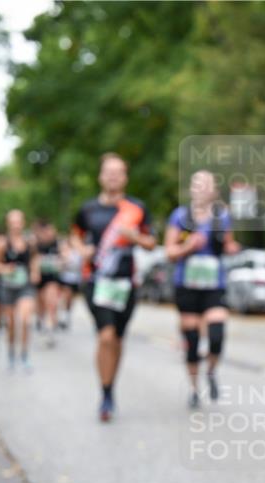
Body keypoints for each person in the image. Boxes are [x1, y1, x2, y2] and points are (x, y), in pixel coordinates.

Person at [72, 153, 156, 421]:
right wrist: (81, 249)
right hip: (96, 281)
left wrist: (136, 237)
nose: (113, 176)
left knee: (117, 338)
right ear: (100, 175)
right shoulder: (88, 209)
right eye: (108, 171)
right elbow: (74, 235)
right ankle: (105, 392)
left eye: (118, 172)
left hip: (125, 283)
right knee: (105, 336)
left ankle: (111, 387)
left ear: (125, 177)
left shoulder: (137, 208)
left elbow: (152, 242)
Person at [164, 170, 241, 408]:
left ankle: (211, 371)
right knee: (193, 340)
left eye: (207, 184)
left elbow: (227, 242)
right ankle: (195, 389)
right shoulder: (180, 216)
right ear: (191, 188)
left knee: (216, 335)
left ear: (214, 190)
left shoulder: (222, 216)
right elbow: (170, 252)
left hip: (213, 284)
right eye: (197, 183)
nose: (202, 188)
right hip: (187, 284)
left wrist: (231, 248)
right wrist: (188, 246)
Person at [0, 210, 39, 372]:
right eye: (13, 222)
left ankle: (24, 355)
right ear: (8, 223)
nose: (16, 225)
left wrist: (34, 272)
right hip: (8, 287)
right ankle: (11, 354)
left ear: (23, 222)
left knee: (26, 320)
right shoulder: (1, 242)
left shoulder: (29, 241)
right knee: (11, 324)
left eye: (19, 221)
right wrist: (5, 269)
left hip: (25, 286)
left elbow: (34, 259)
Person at [33, 219, 63, 347]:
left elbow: (65, 257)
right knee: (40, 303)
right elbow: (32, 260)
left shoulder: (58, 244)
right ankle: (40, 320)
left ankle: (50, 329)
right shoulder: (36, 244)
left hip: (52, 278)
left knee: (51, 303)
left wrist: (62, 262)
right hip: (39, 278)